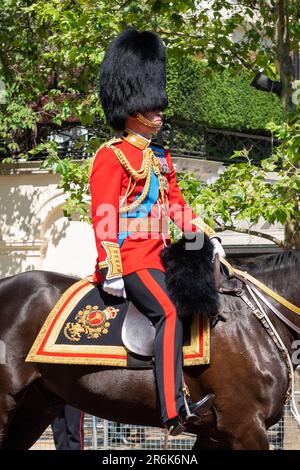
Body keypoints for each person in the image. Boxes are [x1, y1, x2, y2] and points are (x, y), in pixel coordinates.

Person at [89, 29, 225, 436]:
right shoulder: (111, 155)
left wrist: (207, 237)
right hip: (131, 259)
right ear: (133, 109)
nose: (160, 111)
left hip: (161, 256)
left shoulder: (162, 157)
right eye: (153, 106)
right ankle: (173, 409)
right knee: (167, 311)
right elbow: (104, 214)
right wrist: (110, 266)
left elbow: (178, 207)